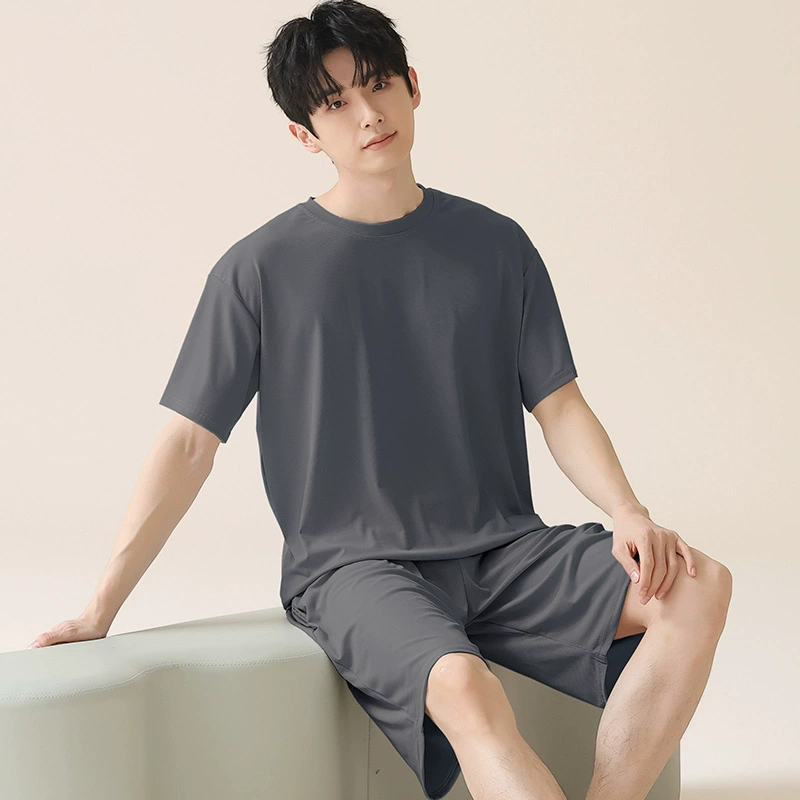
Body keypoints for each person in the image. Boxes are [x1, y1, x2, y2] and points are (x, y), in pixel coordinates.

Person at [28, 2, 733, 798]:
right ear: (304, 135)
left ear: (413, 86)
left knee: (698, 585)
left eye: (379, 84)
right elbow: (190, 443)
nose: (368, 114)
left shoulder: (497, 245)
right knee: (465, 687)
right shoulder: (258, 269)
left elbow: (560, 405)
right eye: (335, 104)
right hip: (353, 567)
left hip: (503, 551)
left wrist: (629, 511)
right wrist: (100, 607)